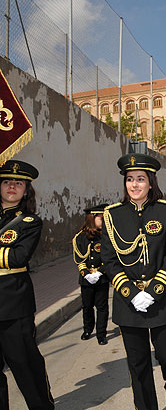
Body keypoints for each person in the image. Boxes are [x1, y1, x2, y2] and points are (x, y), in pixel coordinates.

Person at [102, 153, 166, 410]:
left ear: (151, 182)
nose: (134, 184)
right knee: (138, 365)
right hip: (129, 304)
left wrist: (153, 292)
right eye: (129, 179)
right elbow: (109, 259)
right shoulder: (112, 215)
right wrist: (131, 293)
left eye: (140, 179)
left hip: (163, 299)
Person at [0, 160, 54, 410]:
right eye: (7, 181)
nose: (12, 186)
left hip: (14, 306)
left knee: (24, 364)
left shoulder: (29, 222)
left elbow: (18, 257)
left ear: (26, 190)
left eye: (18, 183)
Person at [73, 203, 110, 345]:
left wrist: (100, 273)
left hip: (102, 277)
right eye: (101, 218)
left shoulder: (106, 236)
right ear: (92, 218)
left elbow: (109, 257)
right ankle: (88, 329)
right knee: (87, 306)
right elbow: (78, 257)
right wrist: (86, 273)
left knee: (102, 307)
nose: (104, 221)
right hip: (86, 278)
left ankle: (101, 334)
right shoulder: (80, 237)